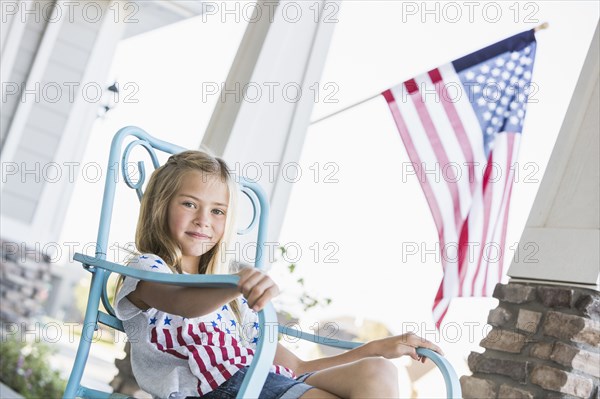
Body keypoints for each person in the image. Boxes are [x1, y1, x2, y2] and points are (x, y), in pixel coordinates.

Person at [114, 150, 443, 399]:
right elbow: (182, 302)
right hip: (217, 389)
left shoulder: (233, 302)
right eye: (189, 204)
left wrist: (375, 347)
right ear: (160, 205)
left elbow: (296, 368)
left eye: (217, 211)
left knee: (378, 371)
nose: (204, 219)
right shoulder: (147, 270)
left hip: (262, 380)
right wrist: (237, 284)